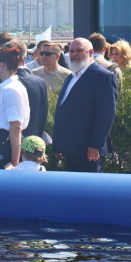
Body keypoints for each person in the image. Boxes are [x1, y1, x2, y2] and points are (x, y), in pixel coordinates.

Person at [53, 38, 117, 172]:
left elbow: (106, 115)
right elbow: (63, 112)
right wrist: (59, 145)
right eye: (71, 51)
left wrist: (95, 145)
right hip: (69, 150)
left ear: (91, 52)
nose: (74, 54)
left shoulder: (103, 76)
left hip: (89, 152)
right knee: (72, 192)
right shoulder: (72, 77)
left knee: (90, 192)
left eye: (79, 51)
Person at [0, 47, 30, 169]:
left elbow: (15, 128)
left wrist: (15, 162)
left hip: (6, 143)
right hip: (2, 140)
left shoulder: (10, 90)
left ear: (1, 65)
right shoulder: (8, 87)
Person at [5, 40, 48, 140]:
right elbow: (42, 117)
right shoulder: (40, 83)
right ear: (24, 59)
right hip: (32, 141)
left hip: (6, 143)